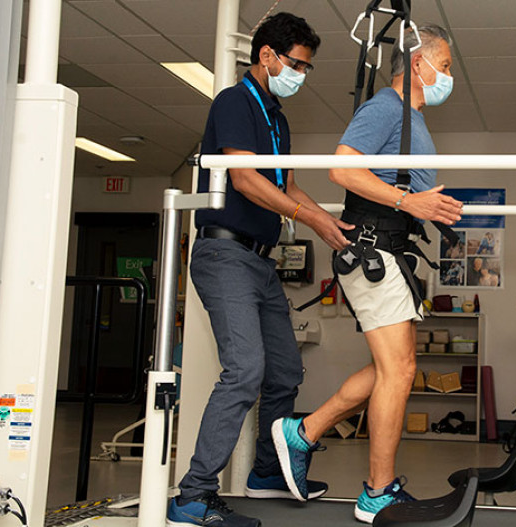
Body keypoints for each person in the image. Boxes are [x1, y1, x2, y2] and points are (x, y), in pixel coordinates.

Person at [270, 25, 463, 524]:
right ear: (417, 65)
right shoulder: (385, 109)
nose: (448, 77)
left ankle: (303, 432)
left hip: (391, 248)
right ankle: (376, 491)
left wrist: (424, 207)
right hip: (373, 249)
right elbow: (342, 170)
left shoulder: (411, 120)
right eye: (443, 67)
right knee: (399, 370)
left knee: (391, 369)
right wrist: (408, 200)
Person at [167, 13, 353, 527]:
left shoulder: (277, 116)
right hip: (223, 254)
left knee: (286, 371)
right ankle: (193, 496)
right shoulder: (234, 102)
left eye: (306, 68)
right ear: (266, 56)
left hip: (259, 260)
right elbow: (246, 180)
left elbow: (286, 186)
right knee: (245, 369)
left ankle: (267, 474)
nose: (301, 74)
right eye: (296, 64)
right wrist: (309, 217)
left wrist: (327, 222)